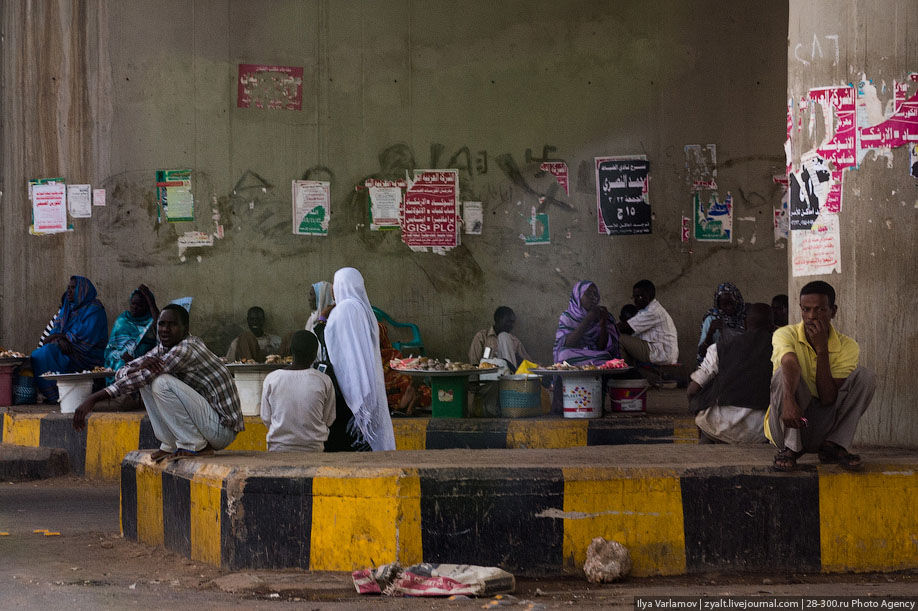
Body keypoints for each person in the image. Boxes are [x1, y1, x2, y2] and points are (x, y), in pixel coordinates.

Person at [72, 304, 244, 461]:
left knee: (160, 381)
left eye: (172, 324)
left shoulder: (186, 349)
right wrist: (135, 367)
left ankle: (193, 444)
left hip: (222, 430)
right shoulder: (164, 348)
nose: (165, 330)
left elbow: (142, 375)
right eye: (161, 324)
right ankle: (169, 444)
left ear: (186, 329)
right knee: (148, 381)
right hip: (208, 423)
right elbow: (123, 372)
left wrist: (93, 398)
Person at [766, 281, 876, 471]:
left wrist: (822, 349)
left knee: (865, 376)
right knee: (783, 373)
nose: (811, 317)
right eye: (806, 310)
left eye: (820, 310)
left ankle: (833, 445)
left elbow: (827, 399)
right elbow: (789, 362)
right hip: (787, 422)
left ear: (833, 311)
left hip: (820, 426)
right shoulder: (785, 334)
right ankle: (790, 449)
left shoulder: (848, 346)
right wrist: (789, 401)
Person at [324, 267, 396, 451]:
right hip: (368, 385)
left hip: (348, 387)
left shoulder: (343, 310)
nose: (332, 288)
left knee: (346, 445)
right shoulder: (363, 309)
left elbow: (341, 352)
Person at [687, 303, 773, 444]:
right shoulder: (781, 350)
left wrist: (695, 408)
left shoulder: (720, 347)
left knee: (704, 417)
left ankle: (703, 445)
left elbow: (693, 389)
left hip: (718, 425)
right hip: (761, 431)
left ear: (744, 324)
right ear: (772, 326)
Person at [31, 276, 108, 403]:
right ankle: (54, 395)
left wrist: (62, 337)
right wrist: (61, 339)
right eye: (68, 288)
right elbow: (50, 337)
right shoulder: (67, 309)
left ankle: (60, 395)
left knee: (48, 352)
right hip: (66, 349)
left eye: (73, 288)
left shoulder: (95, 310)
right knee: (40, 354)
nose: (70, 291)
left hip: (87, 356)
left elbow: (85, 338)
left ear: (83, 290)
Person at [260, 330, 336, 452]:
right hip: (313, 449)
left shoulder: (272, 379)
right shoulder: (323, 380)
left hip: (278, 449)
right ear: (314, 354)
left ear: (291, 351)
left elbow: (266, 418)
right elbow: (328, 419)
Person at [553, 281, 620, 366]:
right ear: (578, 296)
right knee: (564, 354)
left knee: (606, 355)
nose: (593, 297)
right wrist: (588, 320)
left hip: (597, 354)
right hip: (574, 353)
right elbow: (568, 344)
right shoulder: (568, 316)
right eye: (588, 294)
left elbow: (602, 347)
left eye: (595, 294)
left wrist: (603, 322)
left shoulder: (604, 315)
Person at [617, 279, 679, 365]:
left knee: (619, 338)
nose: (636, 300)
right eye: (634, 297)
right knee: (626, 340)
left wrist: (606, 323)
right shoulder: (646, 310)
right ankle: (629, 370)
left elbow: (625, 327)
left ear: (649, 296)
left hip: (662, 353)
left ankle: (626, 372)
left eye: (640, 297)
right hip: (658, 351)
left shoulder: (652, 311)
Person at [103, 285, 159, 379]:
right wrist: (122, 355)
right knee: (121, 366)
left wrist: (150, 300)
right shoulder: (123, 320)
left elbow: (158, 322)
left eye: (140, 305)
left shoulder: (151, 322)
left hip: (143, 362)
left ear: (147, 307)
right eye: (133, 304)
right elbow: (109, 351)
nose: (135, 307)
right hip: (120, 361)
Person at [380, 322, 431, 415]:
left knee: (406, 380)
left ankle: (405, 402)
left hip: (385, 365)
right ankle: (404, 403)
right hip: (380, 376)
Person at [468, 306, 533, 370]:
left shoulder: (514, 340)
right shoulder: (481, 337)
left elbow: (527, 362)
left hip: (508, 376)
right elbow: (474, 362)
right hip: (486, 375)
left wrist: (515, 356)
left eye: (512, 322)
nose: (510, 325)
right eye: (507, 321)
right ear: (497, 319)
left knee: (504, 336)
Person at [696, 282, 746, 364]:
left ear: (737, 300)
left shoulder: (744, 318)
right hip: (715, 365)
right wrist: (710, 332)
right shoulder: (711, 319)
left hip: (738, 366)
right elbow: (701, 352)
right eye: (724, 304)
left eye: (731, 303)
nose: (729, 307)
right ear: (718, 305)